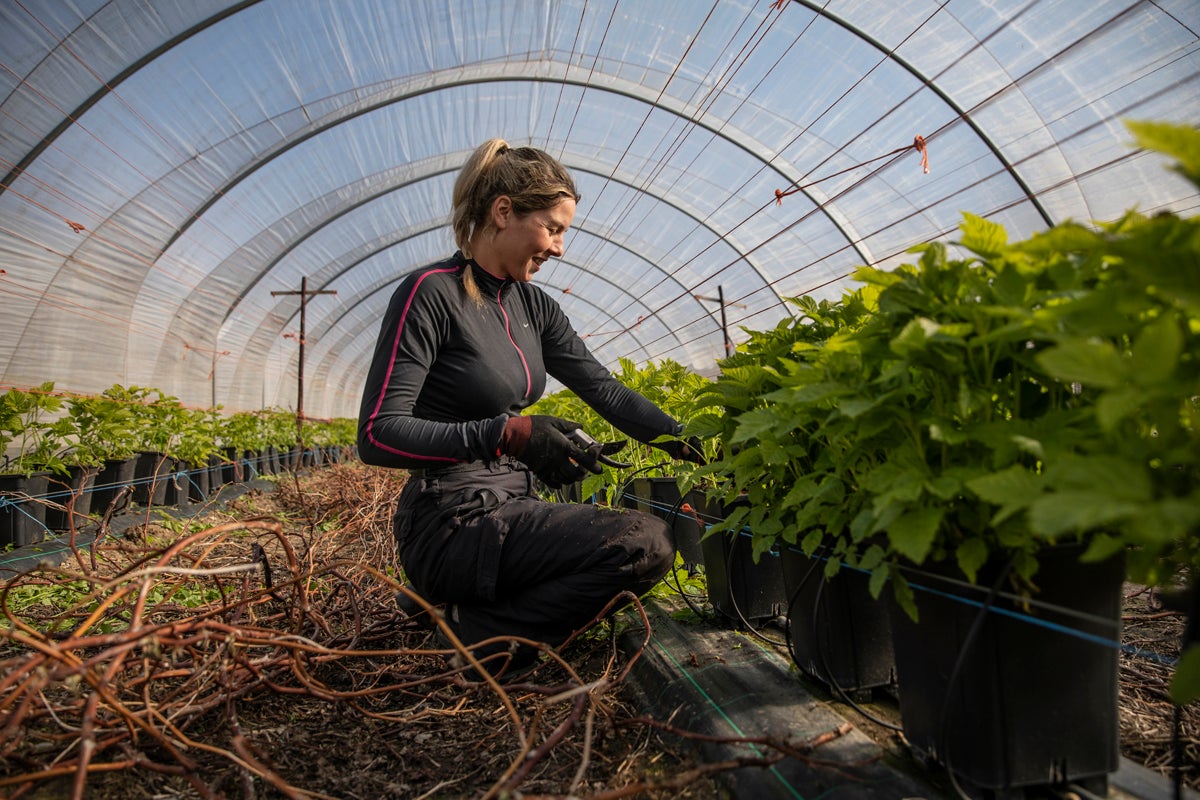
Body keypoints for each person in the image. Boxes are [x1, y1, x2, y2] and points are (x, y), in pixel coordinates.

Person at [357, 138, 702, 679]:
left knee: (631, 540)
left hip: (512, 508)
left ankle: (463, 615)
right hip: (451, 519)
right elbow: (378, 434)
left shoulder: (535, 306)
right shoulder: (430, 294)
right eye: (553, 227)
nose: (560, 248)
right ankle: (478, 635)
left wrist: (696, 442)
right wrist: (509, 434)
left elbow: (605, 391)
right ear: (503, 212)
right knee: (645, 543)